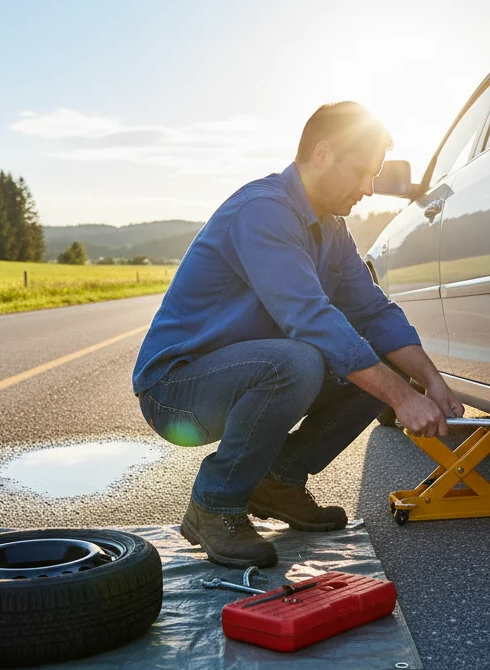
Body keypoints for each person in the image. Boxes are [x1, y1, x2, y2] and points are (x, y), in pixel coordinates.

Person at [132, 101, 464, 568]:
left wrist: (430, 381)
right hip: (176, 388)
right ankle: (214, 504)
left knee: (377, 366)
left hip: (248, 371)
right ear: (323, 154)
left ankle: (278, 482)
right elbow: (309, 318)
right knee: (299, 361)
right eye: (361, 173)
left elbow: (373, 311)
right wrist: (402, 400)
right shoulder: (263, 211)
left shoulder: (333, 230)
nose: (368, 190)